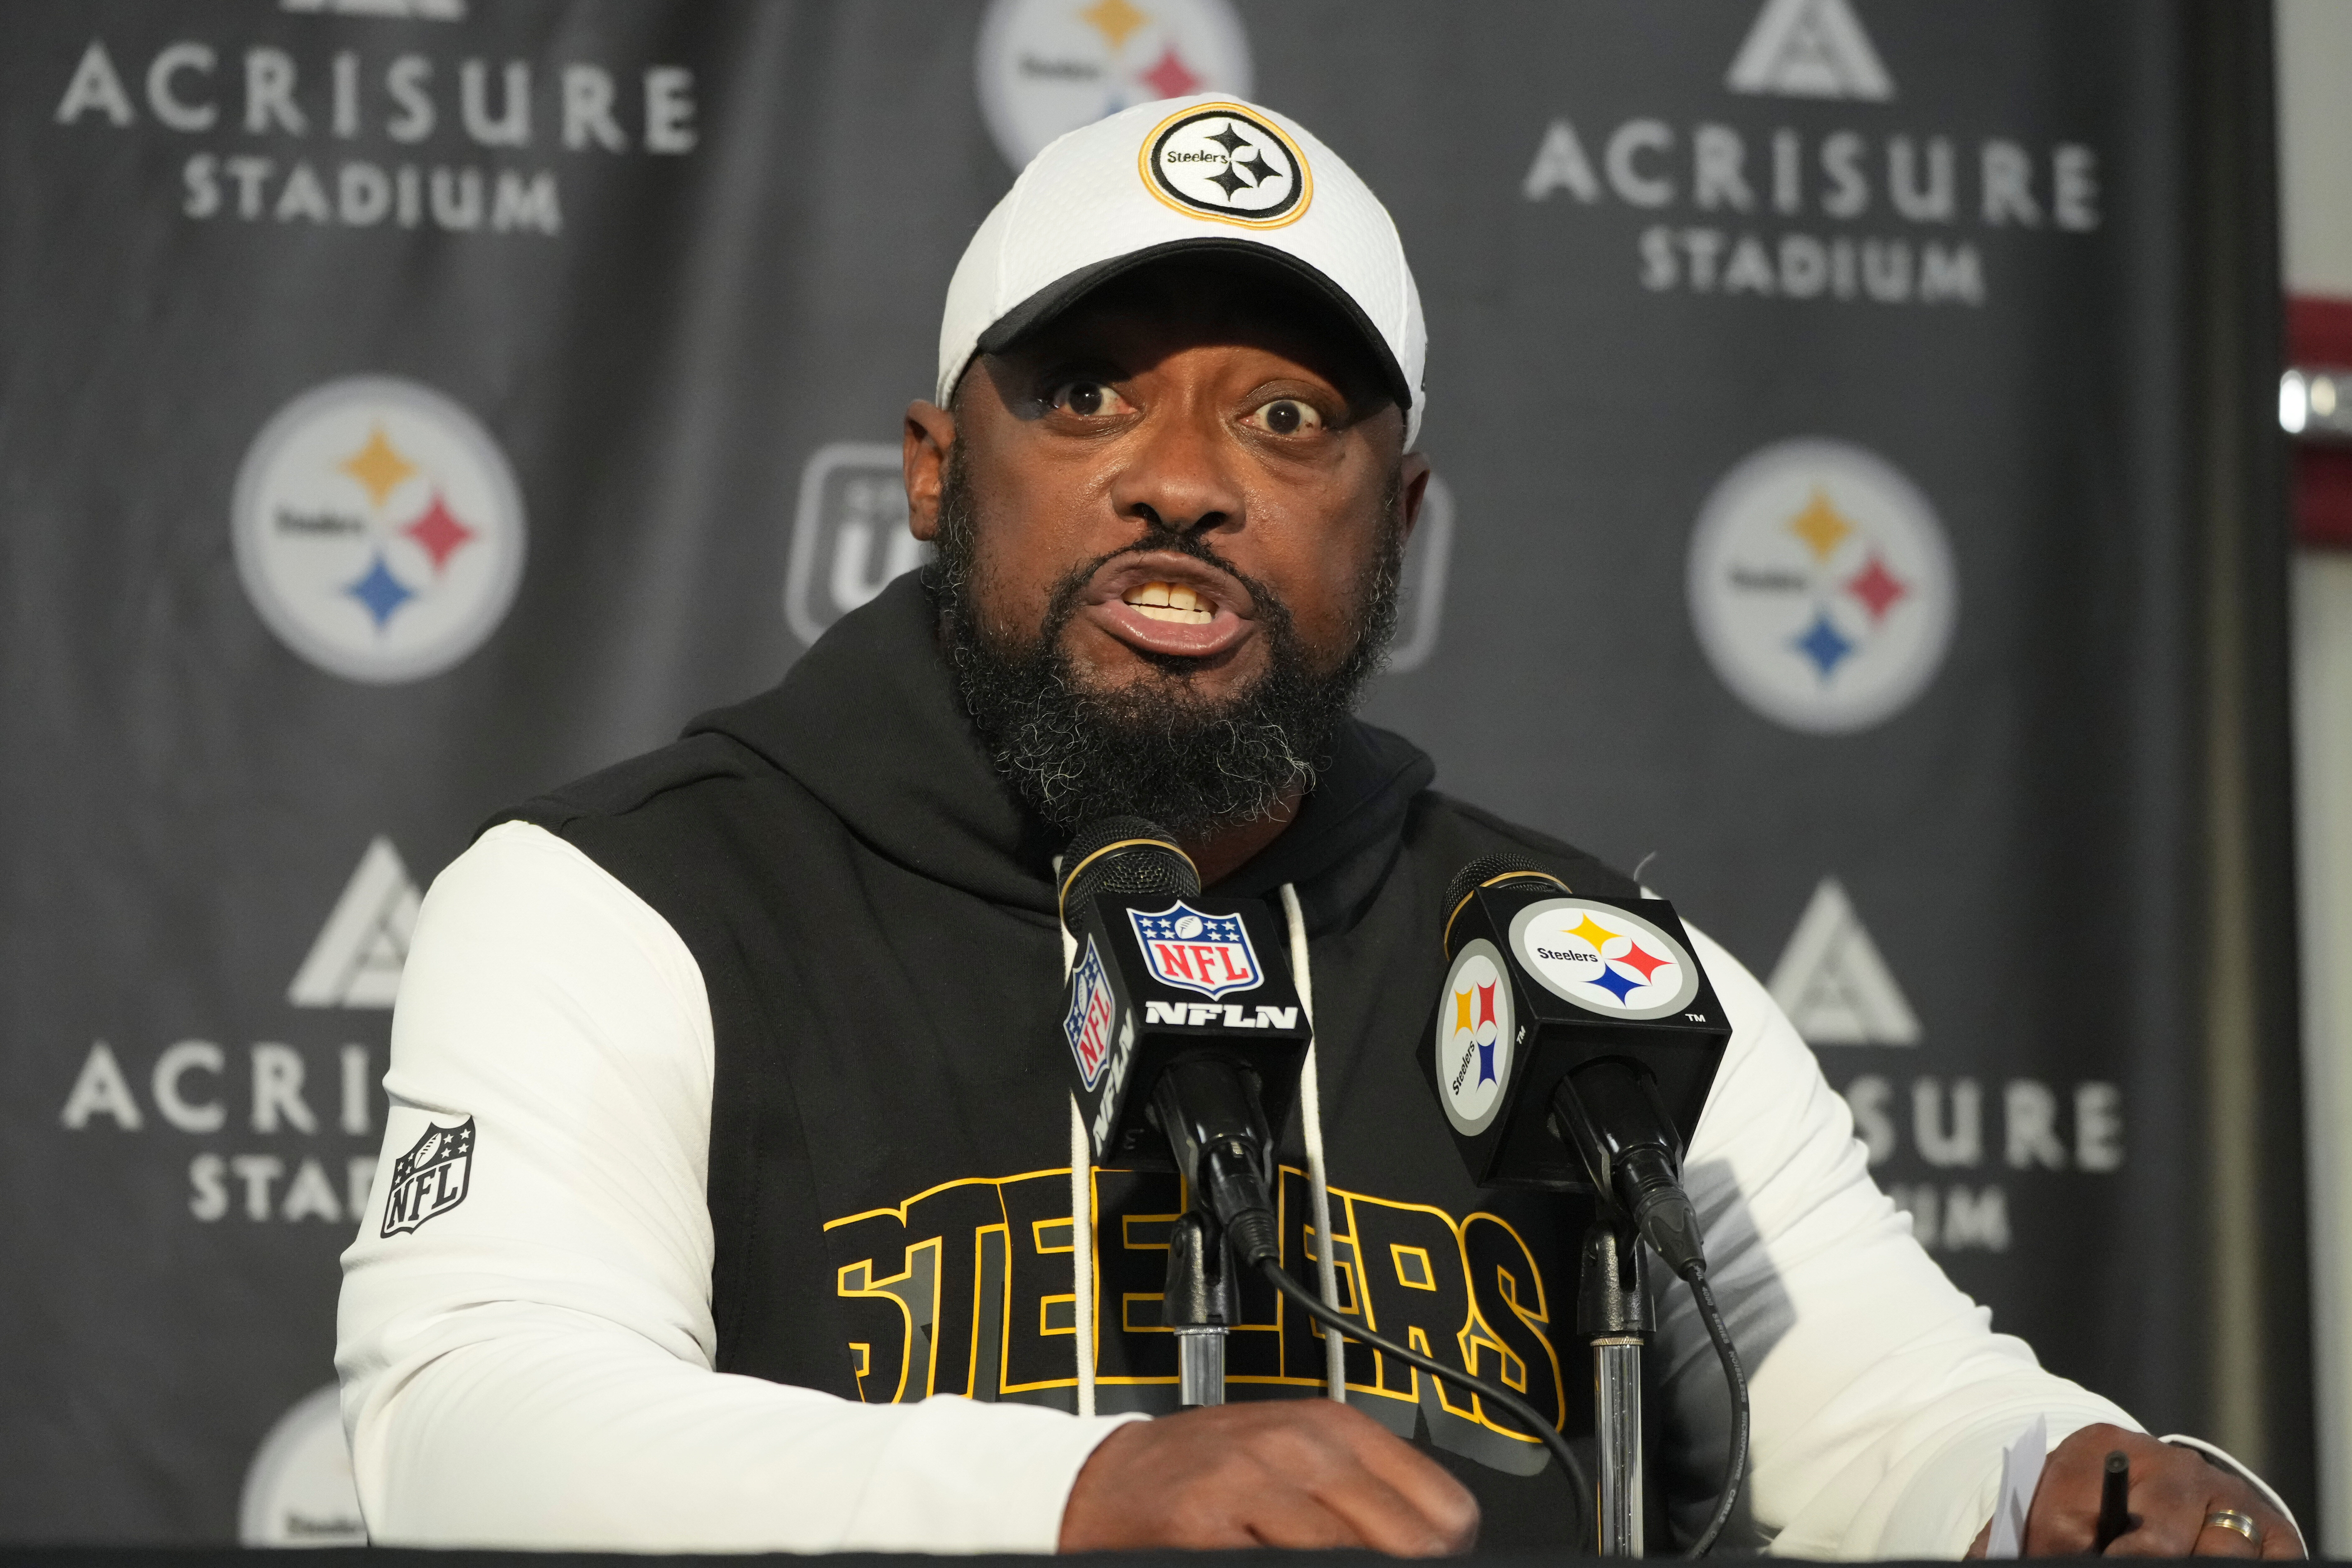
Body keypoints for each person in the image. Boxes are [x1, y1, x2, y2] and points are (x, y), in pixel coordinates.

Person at [336, 94, 2301, 1559]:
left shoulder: (1581, 957)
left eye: (1288, 421)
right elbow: (462, 1430)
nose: (1182, 482)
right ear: (934, 474)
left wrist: (2059, 1478)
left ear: (1403, 521)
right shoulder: (635, 896)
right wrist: (1078, 1490)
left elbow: (1888, 1407)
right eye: (1091, 397)